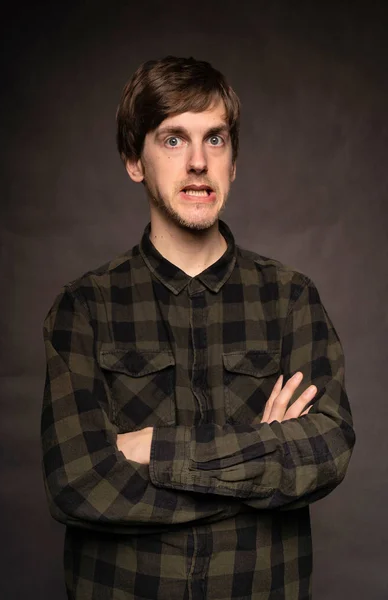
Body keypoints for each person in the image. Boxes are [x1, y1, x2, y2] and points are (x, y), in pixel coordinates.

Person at [41, 55, 355, 600]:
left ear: (233, 163)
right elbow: (77, 482)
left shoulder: (291, 298)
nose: (197, 163)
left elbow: (326, 450)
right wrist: (260, 458)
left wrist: (157, 449)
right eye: (172, 139)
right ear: (133, 161)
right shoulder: (84, 308)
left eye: (215, 140)